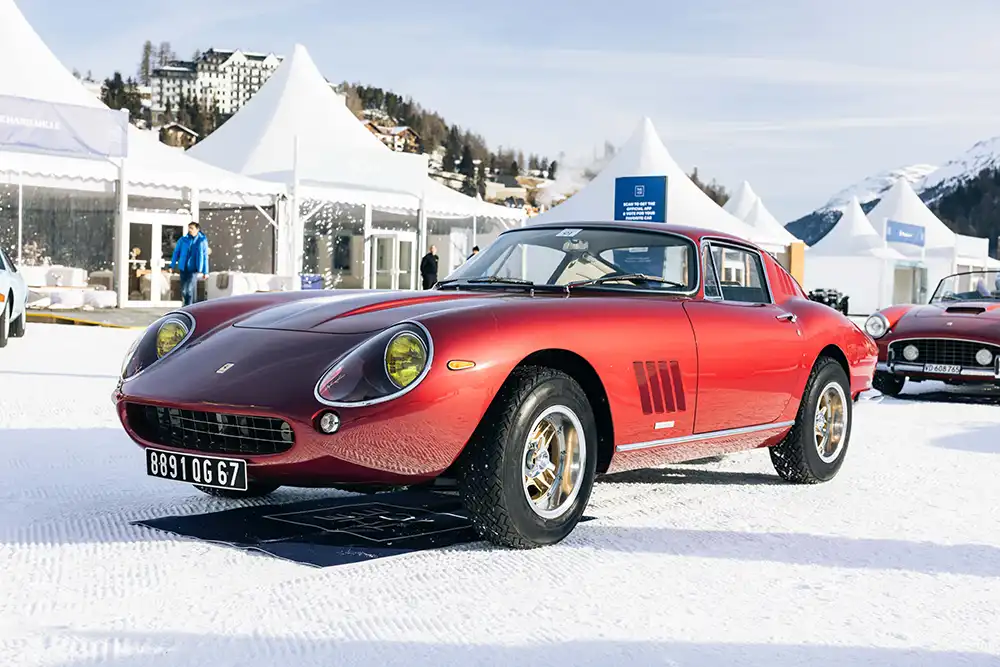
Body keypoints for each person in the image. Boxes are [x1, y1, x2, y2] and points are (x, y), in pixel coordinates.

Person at [171, 221, 209, 306]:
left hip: (194, 269)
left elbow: (205, 256)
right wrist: (172, 265)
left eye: (192, 228)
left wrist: (205, 272)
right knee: (184, 290)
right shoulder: (183, 240)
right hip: (183, 268)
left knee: (189, 290)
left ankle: (188, 307)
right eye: (189, 228)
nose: (190, 230)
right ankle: (187, 305)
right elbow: (176, 252)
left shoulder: (202, 241)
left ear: (197, 229)